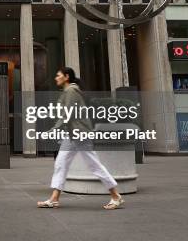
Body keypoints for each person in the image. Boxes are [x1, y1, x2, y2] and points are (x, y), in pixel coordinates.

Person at [36, 67, 124, 210]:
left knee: (93, 165)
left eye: (58, 75)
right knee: (61, 163)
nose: (55, 78)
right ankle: (54, 199)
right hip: (72, 135)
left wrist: (53, 130)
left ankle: (116, 196)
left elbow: (68, 114)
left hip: (80, 134)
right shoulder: (67, 91)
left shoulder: (71, 90)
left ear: (66, 76)